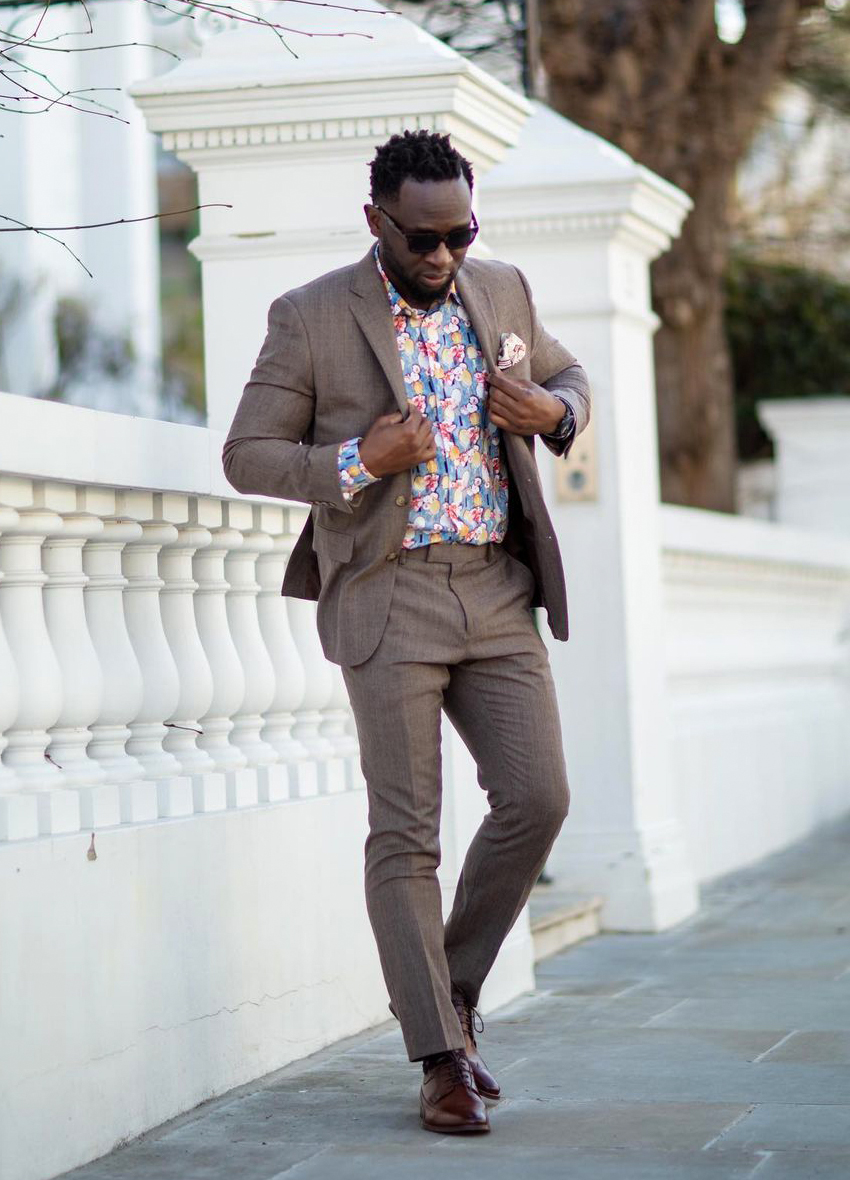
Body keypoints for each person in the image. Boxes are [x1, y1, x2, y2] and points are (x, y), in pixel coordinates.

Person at [222, 129, 591, 1135]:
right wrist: (356, 460)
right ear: (375, 220)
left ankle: (447, 993)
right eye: (422, 239)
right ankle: (439, 1057)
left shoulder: (500, 289)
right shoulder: (308, 317)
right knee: (408, 833)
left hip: (496, 585)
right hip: (387, 592)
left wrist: (551, 413)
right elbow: (248, 453)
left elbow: (569, 379)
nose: (442, 257)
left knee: (538, 796)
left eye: (459, 234)